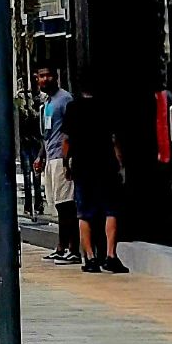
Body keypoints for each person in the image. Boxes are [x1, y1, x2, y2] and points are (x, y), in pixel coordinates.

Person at [64, 80, 127, 273]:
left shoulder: (73, 108)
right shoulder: (106, 106)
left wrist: (66, 164)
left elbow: (66, 140)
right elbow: (114, 139)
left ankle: (90, 258)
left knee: (84, 213)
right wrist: (120, 163)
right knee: (111, 210)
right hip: (105, 164)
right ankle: (111, 255)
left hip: (82, 165)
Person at [34, 66, 79, 264]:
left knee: (66, 204)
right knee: (58, 204)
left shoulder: (65, 100)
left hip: (62, 158)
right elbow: (47, 133)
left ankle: (72, 248)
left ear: (56, 76)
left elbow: (69, 131)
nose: (44, 79)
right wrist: (40, 156)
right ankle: (61, 247)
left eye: (48, 75)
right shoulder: (47, 102)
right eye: (41, 76)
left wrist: (68, 160)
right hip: (51, 157)